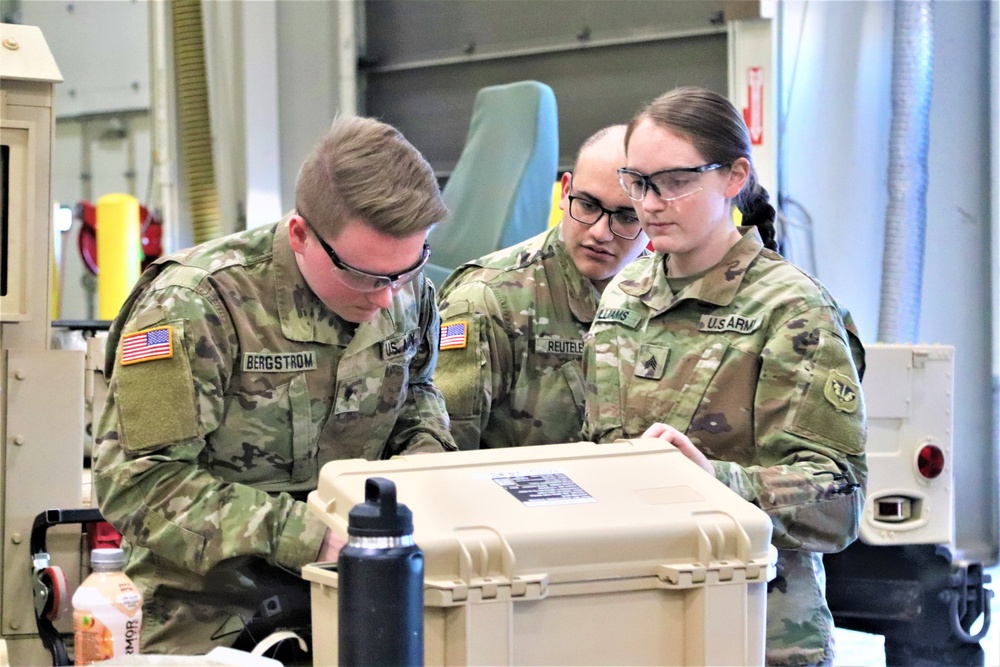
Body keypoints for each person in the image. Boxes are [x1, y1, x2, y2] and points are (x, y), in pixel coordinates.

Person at [93, 115, 457, 656]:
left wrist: (426, 474)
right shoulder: (194, 305)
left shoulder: (401, 282)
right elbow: (138, 483)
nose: (386, 298)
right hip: (212, 611)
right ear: (301, 235)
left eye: (406, 271)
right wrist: (311, 537)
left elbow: (417, 395)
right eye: (363, 276)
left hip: (369, 590)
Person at [583, 87, 867, 666]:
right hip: (633, 620)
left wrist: (715, 482)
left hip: (757, 631)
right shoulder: (625, 294)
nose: (651, 204)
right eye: (639, 182)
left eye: (675, 182)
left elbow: (838, 504)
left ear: (734, 176)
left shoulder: (791, 309)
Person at [434, 125, 649, 449]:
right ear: (565, 193)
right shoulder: (488, 298)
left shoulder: (667, 295)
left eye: (626, 217)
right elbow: (442, 458)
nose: (600, 232)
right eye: (588, 205)